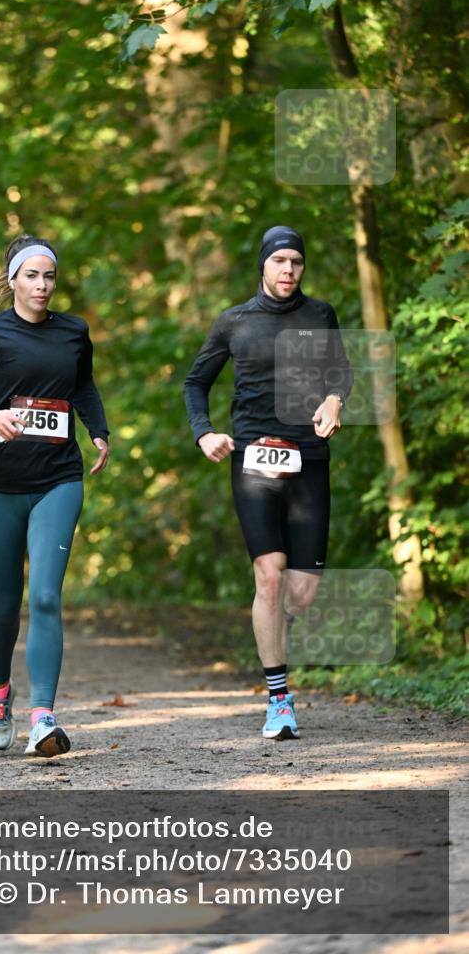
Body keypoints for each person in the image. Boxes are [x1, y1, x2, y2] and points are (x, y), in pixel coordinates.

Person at [0, 234, 109, 757]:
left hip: (59, 478)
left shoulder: (74, 332)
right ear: (13, 279)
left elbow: (82, 386)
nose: (41, 285)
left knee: (47, 597)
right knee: (6, 604)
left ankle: (43, 718)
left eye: (49, 276)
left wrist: (97, 430)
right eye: (31, 275)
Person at [184, 225, 353, 740]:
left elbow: (340, 372)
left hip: (309, 462)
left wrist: (334, 400)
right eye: (279, 261)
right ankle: (279, 699)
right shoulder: (234, 322)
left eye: (296, 263)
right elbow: (196, 382)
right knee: (270, 575)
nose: (288, 271)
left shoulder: (319, 315)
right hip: (254, 462)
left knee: (300, 594)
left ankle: (277, 635)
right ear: (263, 264)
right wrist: (204, 434)